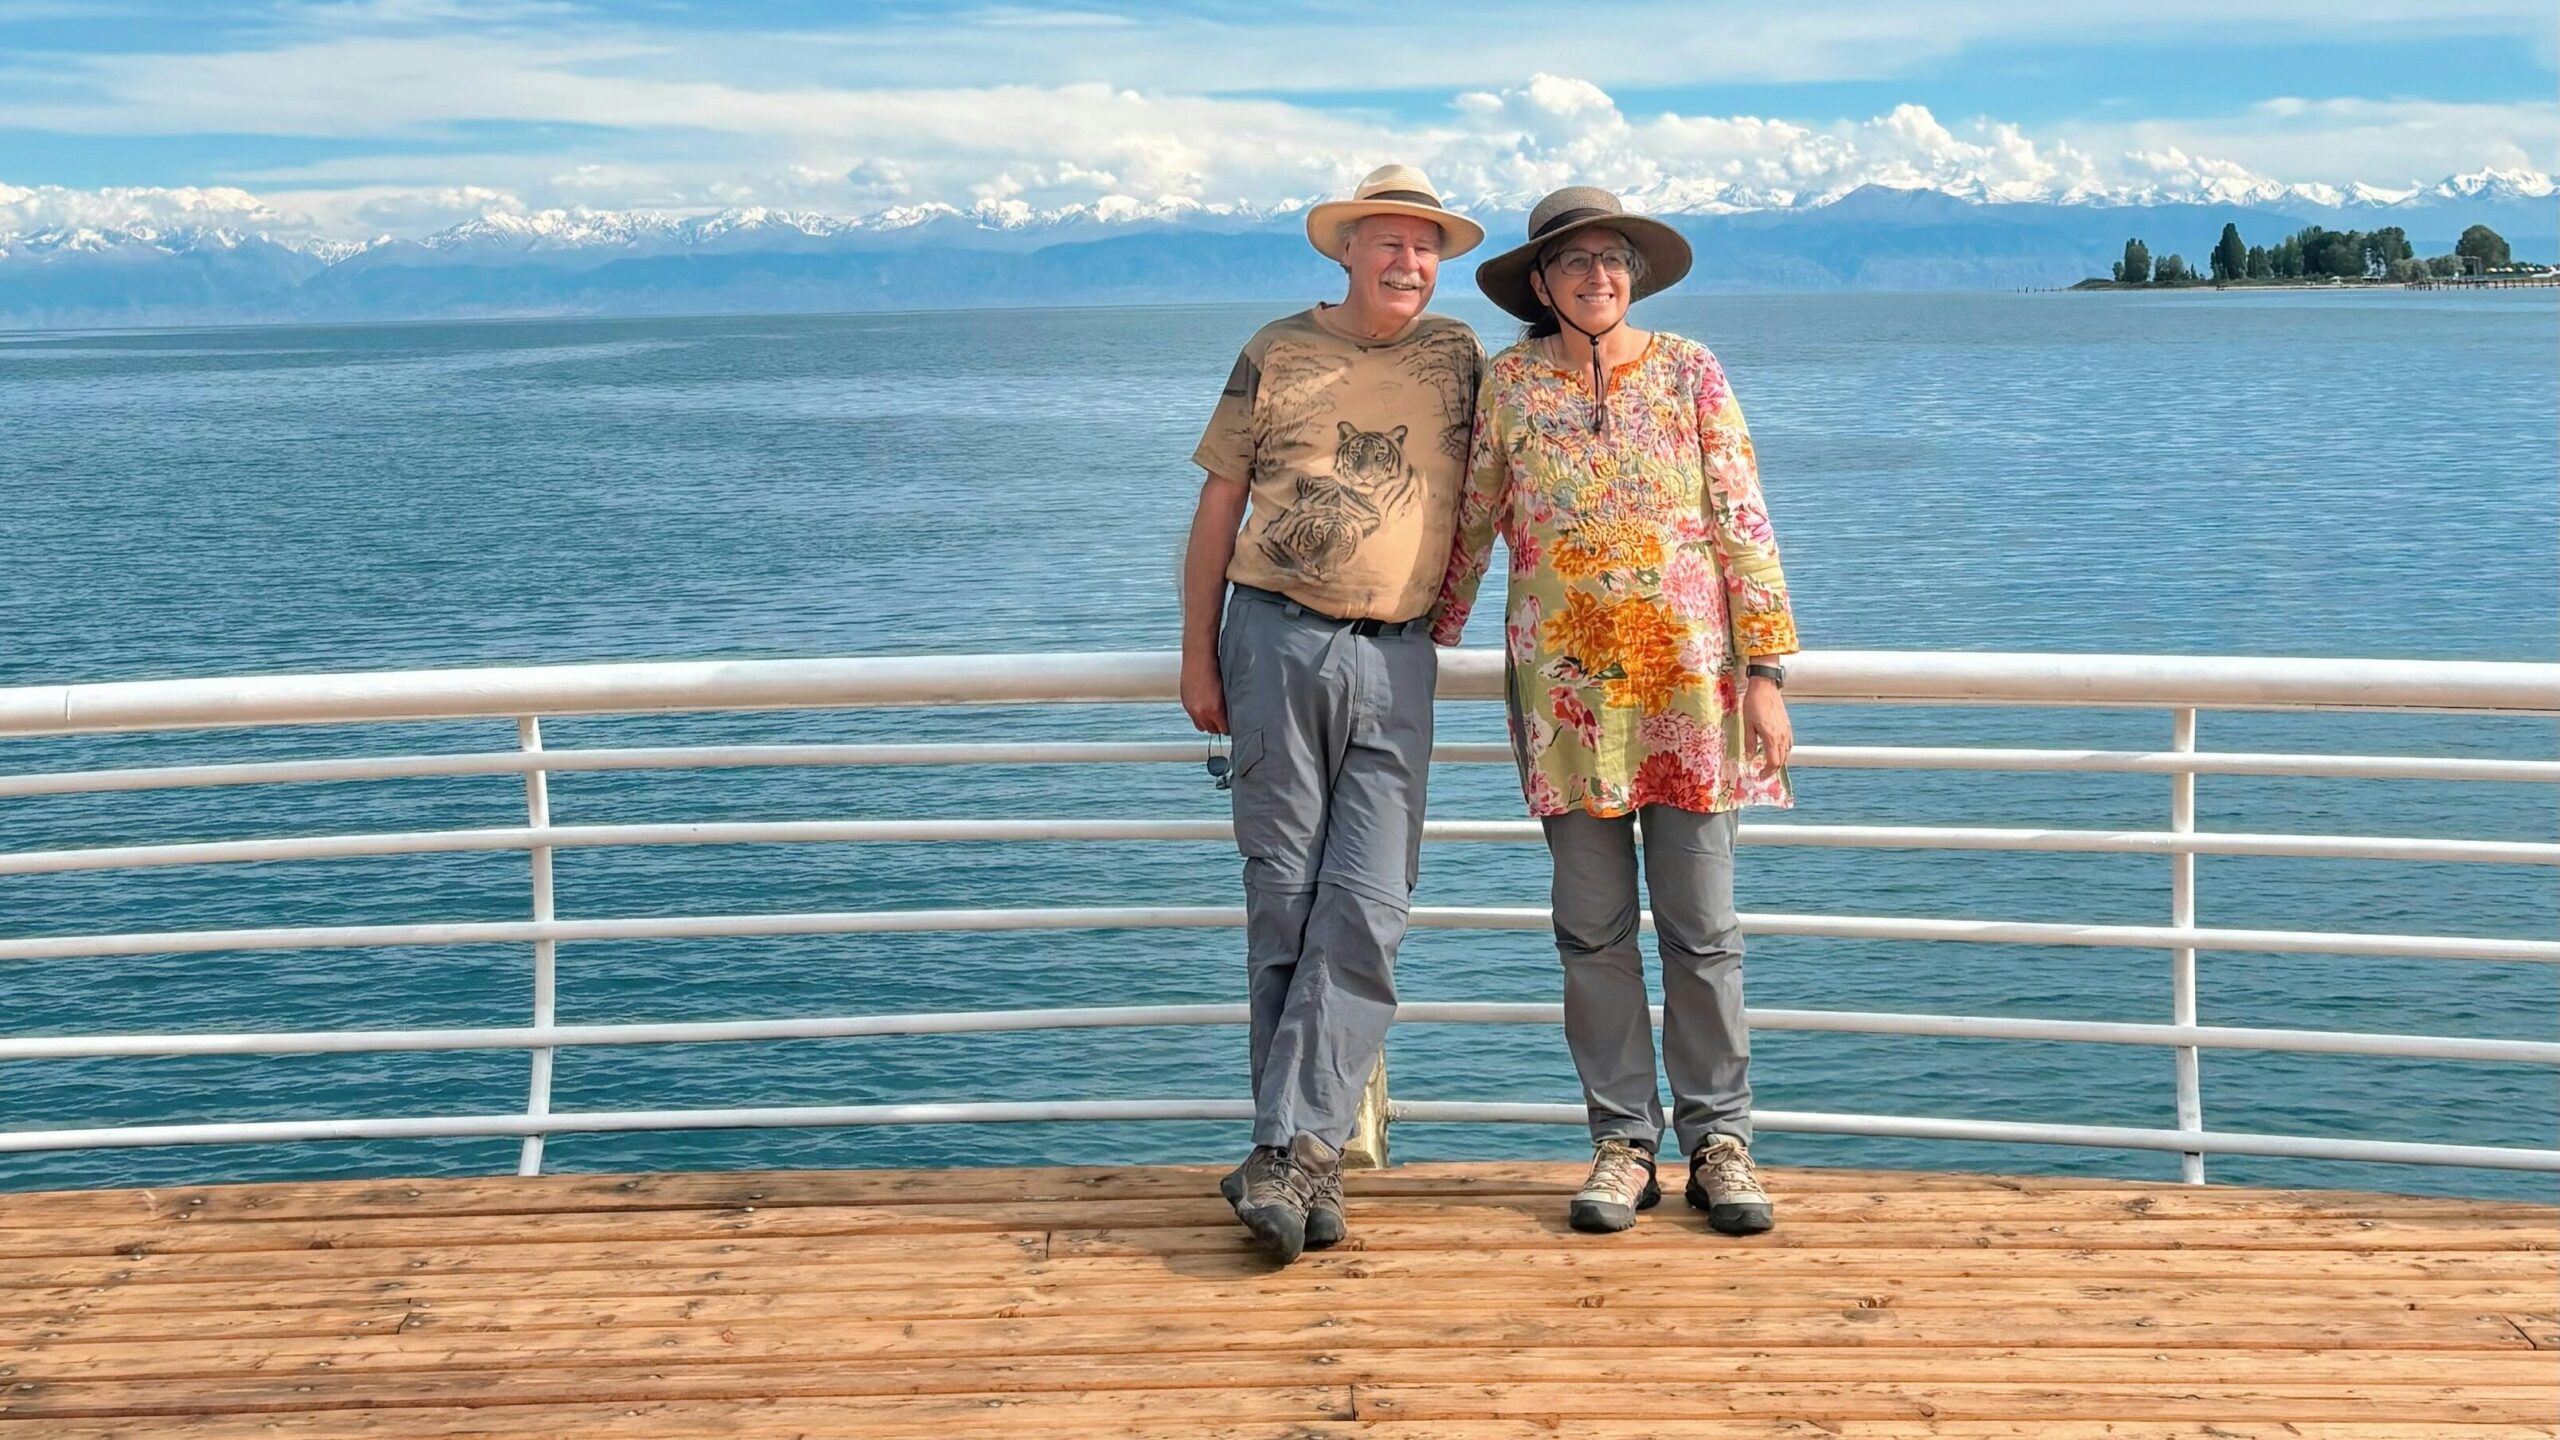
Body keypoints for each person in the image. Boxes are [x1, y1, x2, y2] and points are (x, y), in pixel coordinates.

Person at [1431, 186, 1799, 1237]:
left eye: (1614, 259)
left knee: (1702, 929)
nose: (1599, 276)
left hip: (1691, 690)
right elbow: (1472, 523)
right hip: (1564, 699)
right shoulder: (1506, 385)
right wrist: (1421, 642)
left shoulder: (1689, 369)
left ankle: (1719, 1142)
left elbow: (1741, 516)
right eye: (1575, 262)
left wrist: (1766, 669)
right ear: (1538, 285)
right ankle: (1621, 1144)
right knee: (1590, 933)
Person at [1179, 164, 1487, 1263]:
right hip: (1274, 638)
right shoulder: (1276, 351)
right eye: (1388, 245)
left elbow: (1507, 479)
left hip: (1400, 656)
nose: (1409, 265)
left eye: (1426, 248)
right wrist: (1198, 655)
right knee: (1285, 901)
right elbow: (1217, 505)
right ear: (1344, 252)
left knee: (1367, 905)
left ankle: (1285, 1154)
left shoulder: (1459, 359)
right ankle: (1304, 1157)